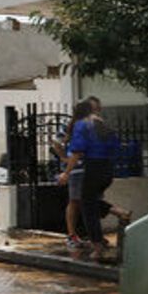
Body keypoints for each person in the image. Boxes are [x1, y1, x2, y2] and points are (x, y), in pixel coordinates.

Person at [57, 103, 116, 262]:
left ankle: (97, 247)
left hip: (92, 168)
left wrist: (66, 173)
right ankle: (118, 212)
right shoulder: (103, 123)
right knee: (89, 202)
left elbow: (77, 151)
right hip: (108, 168)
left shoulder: (82, 125)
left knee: (87, 208)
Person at [55, 99, 95, 253]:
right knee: (75, 202)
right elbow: (57, 143)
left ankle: (83, 235)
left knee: (81, 202)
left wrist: (65, 159)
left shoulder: (84, 125)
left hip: (83, 169)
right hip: (77, 169)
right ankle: (73, 235)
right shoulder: (75, 126)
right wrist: (66, 160)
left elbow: (57, 143)